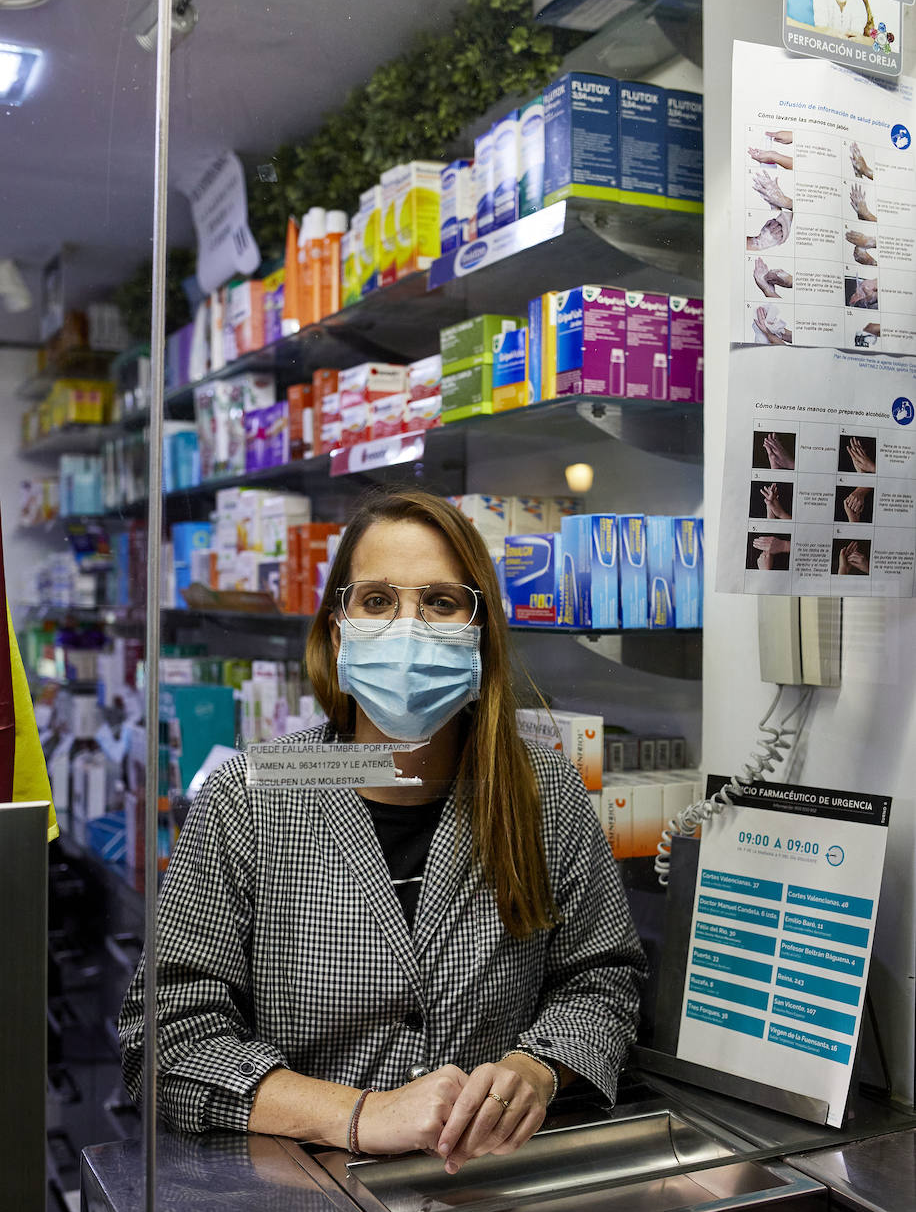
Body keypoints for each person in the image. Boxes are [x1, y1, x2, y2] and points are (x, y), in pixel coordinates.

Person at [119, 487, 646, 1174]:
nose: (408, 630)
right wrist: (359, 1115)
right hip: (299, 1199)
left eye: (440, 602)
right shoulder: (250, 797)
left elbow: (602, 981)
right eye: (376, 602)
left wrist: (538, 1068)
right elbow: (165, 1043)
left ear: (479, 635)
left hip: (486, 1193)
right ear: (338, 632)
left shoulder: (544, 794)